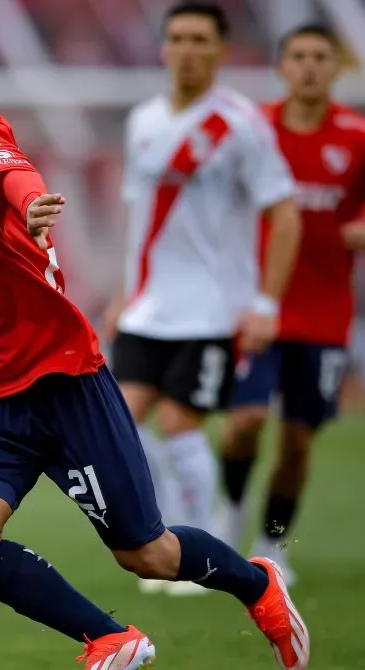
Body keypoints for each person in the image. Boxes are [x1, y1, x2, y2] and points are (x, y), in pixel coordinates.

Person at [0, 29, 309, 670]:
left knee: (148, 553)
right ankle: (109, 638)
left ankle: (257, 585)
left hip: (60, 386)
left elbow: (12, 177)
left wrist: (32, 204)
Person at [103, 1, 302, 596]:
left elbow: (285, 213)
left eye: (200, 39)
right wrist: (120, 293)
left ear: (220, 49)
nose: (188, 49)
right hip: (147, 307)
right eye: (179, 38)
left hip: (212, 309)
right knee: (121, 421)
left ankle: (198, 549)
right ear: (164, 48)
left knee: (179, 423)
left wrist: (266, 303)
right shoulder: (143, 121)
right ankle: (165, 537)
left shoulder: (241, 124)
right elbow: (137, 217)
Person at [217, 24, 365, 582]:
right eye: (299, 56)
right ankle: (230, 515)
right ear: (282, 67)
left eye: (321, 56)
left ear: (335, 69)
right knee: (243, 422)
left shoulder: (361, 140)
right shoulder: (253, 131)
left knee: (297, 441)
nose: (311, 66)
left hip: (324, 316)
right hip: (257, 308)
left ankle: (276, 544)